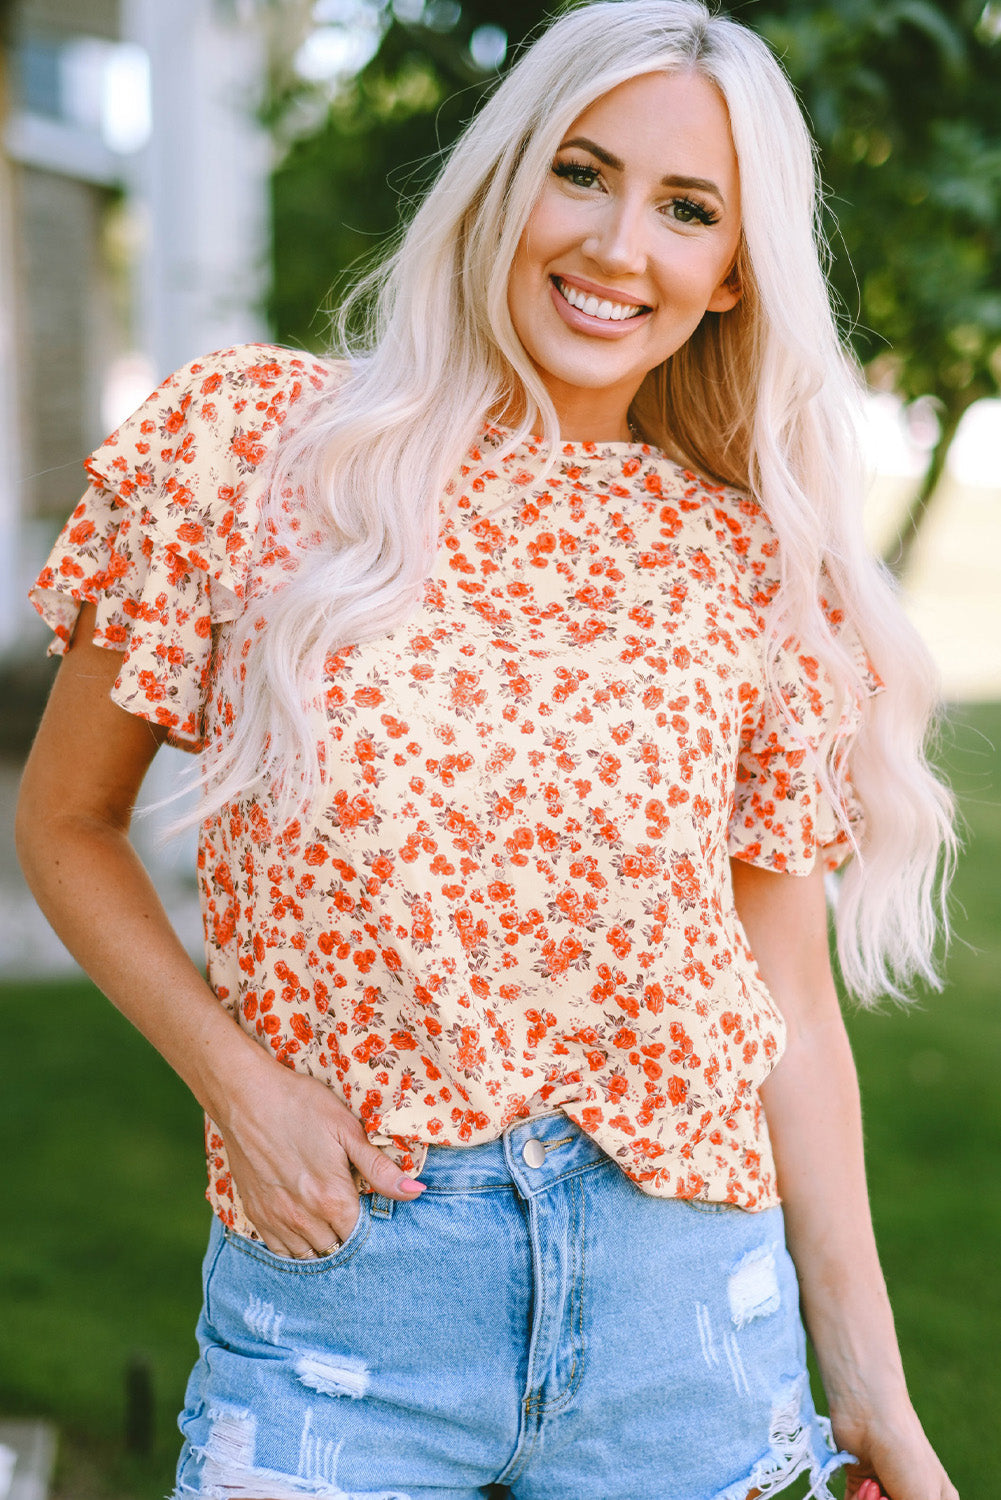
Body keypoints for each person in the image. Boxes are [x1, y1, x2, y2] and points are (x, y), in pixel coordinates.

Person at [16, 2, 959, 1497]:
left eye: (688, 210)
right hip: (346, 1312)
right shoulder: (249, 451)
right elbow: (66, 821)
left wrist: (876, 1395)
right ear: (506, 177)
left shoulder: (750, 566)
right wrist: (238, 1085)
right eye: (581, 172)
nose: (617, 246)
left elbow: (785, 997)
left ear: (732, 274)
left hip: (682, 1327)